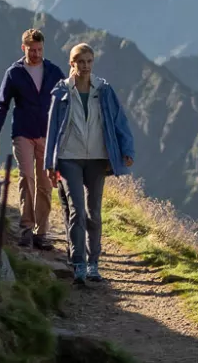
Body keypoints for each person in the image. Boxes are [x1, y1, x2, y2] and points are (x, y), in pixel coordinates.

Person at [45, 42, 136, 285]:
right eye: (80, 62)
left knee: (93, 212)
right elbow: (52, 128)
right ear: (71, 64)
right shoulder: (62, 92)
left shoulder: (103, 90)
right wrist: (49, 163)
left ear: (92, 63)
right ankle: (78, 264)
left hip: (97, 158)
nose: (84, 66)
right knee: (77, 212)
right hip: (69, 158)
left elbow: (119, 120)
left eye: (88, 62)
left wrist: (126, 149)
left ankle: (94, 262)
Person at [0, 28, 65, 249]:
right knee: (26, 177)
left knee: (45, 182)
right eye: (32, 50)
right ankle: (26, 228)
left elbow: (66, 103)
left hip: (48, 135)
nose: (36, 54)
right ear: (24, 48)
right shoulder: (14, 73)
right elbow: (2, 105)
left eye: (40, 50)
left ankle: (41, 233)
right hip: (22, 132)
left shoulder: (53, 72)